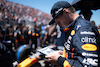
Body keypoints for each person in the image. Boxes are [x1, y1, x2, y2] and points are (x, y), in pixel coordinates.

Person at [45, 1, 100, 67]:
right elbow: (78, 53)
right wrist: (65, 54)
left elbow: (89, 64)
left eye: (58, 21)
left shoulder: (83, 28)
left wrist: (59, 60)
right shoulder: (75, 26)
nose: (59, 25)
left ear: (66, 12)